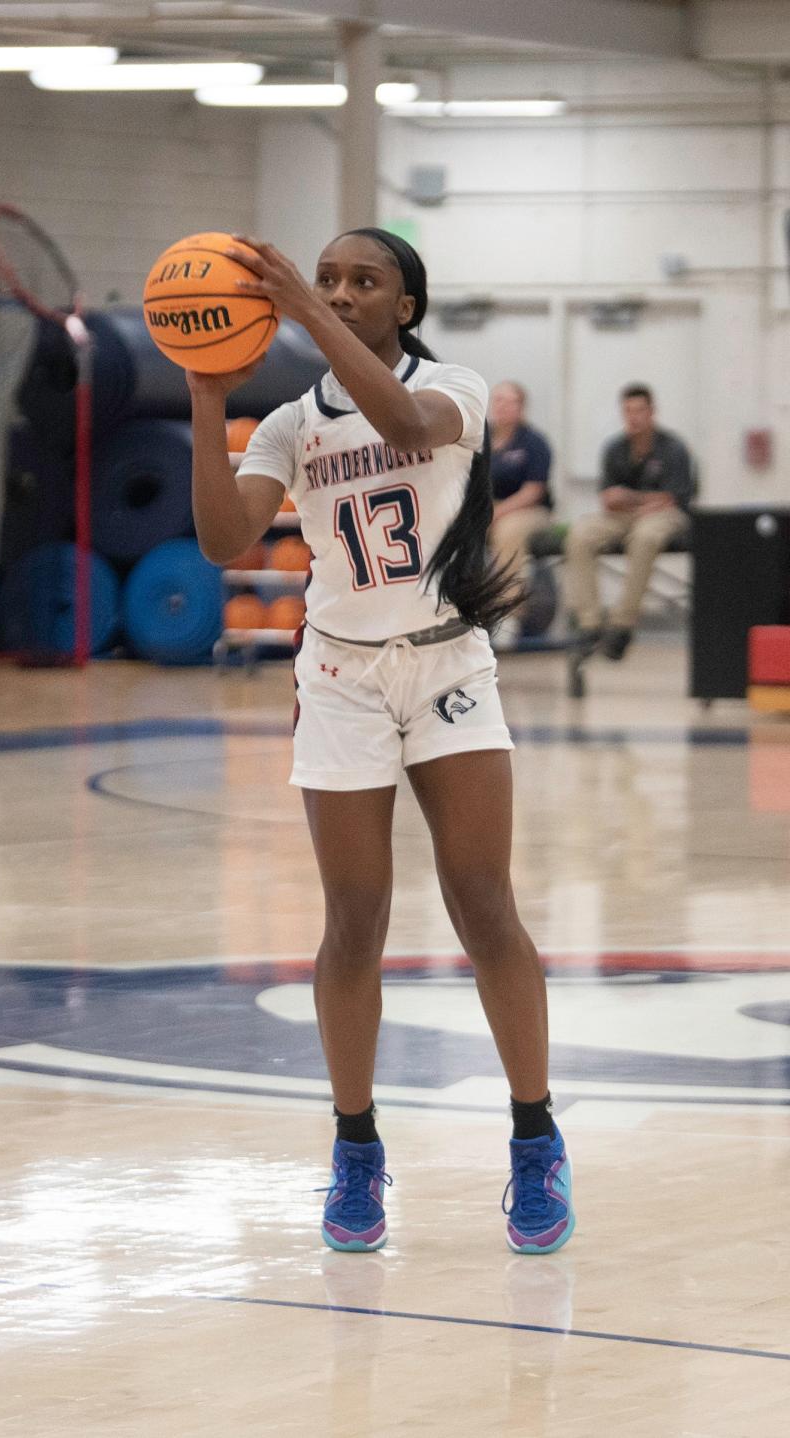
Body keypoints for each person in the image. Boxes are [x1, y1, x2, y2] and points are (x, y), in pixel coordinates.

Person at [188, 228, 574, 1256]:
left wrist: (305, 318)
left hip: (448, 666)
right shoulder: (285, 424)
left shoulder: (450, 385)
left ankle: (535, 1131)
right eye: (326, 282)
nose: (341, 294)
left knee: (483, 900)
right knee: (353, 918)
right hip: (342, 678)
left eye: (364, 283)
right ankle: (355, 1144)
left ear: (405, 304)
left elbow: (399, 425)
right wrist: (202, 390)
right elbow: (227, 541)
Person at [564, 384, 696, 660]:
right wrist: (643, 500)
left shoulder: (673, 448)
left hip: (666, 517)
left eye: (639, 410)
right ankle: (590, 622)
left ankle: (623, 623)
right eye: (628, 411)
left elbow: (673, 499)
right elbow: (609, 499)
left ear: (652, 412)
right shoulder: (615, 448)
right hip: (624, 516)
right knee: (580, 534)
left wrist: (632, 498)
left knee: (645, 537)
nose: (633, 417)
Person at [488, 382, 554, 651]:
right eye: (498, 400)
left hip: (528, 511)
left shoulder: (534, 442)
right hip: (489, 508)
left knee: (508, 531)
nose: (503, 406)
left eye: (510, 401)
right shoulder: (481, 439)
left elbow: (534, 491)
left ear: (521, 407)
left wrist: (499, 512)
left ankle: (508, 614)